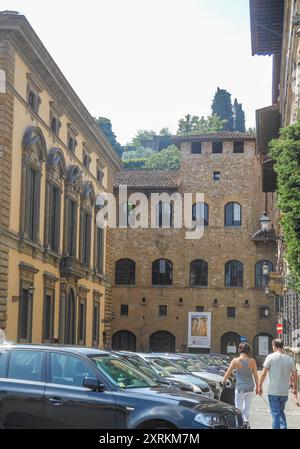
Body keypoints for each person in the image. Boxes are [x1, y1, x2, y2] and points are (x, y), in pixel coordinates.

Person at [259, 339, 298, 429]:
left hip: (273, 391)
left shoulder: (270, 357)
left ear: (274, 346)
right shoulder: (289, 359)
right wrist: (295, 388)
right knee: (280, 412)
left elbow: (264, 373)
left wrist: (259, 386)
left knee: (275, 414)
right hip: (284, 392)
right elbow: (295, 374)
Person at [223, 342, 259, 428]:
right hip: (250, 387)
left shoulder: (235, 361)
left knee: (238, 408)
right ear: (248, 351)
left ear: (239, 350)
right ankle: (246, 422)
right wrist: (258, 387)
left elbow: (228, 373)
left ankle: (239, 424)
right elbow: (256, 376)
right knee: (247, 407)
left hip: (240, 388)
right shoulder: (252, 361)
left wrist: (224, 381)